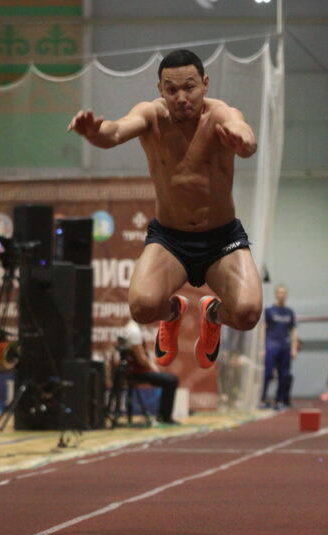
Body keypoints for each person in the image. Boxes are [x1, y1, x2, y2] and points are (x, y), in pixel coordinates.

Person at [68, 48, 262, 373]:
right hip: (170, 240)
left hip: (222, 240)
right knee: (142, 308)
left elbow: (244, 133)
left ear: (205, 84)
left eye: (189, 87)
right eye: (171, 90)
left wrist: (244, 142)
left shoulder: (220, 115)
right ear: (160, 90)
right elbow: (114, 132)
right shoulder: (151, 115)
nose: (181, 97)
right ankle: (172, 313)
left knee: (247, 314)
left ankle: (212, 313)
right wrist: (93, 133)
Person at [122, 319, 180, 424]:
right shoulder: (134, 331)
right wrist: (152, 367)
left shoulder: (130, 328)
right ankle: (165, 418)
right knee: (171, 381)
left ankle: (163, 416)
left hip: (135, 371)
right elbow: (140, 357)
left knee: (171, 379)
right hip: (137, 373)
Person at [261, 284, 298, 409]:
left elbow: (293, 330)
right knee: (267, 373)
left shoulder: (289, 312)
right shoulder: (269, 311)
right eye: (280, 292)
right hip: (271, 346)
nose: (282, 295)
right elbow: (263, 329)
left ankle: (279, 400)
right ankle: (262, 399)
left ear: (286, 295)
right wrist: (262, 347)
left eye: (284, 292)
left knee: (284, 374)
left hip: (285, 347)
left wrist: (294, 348)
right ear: (276, 294)